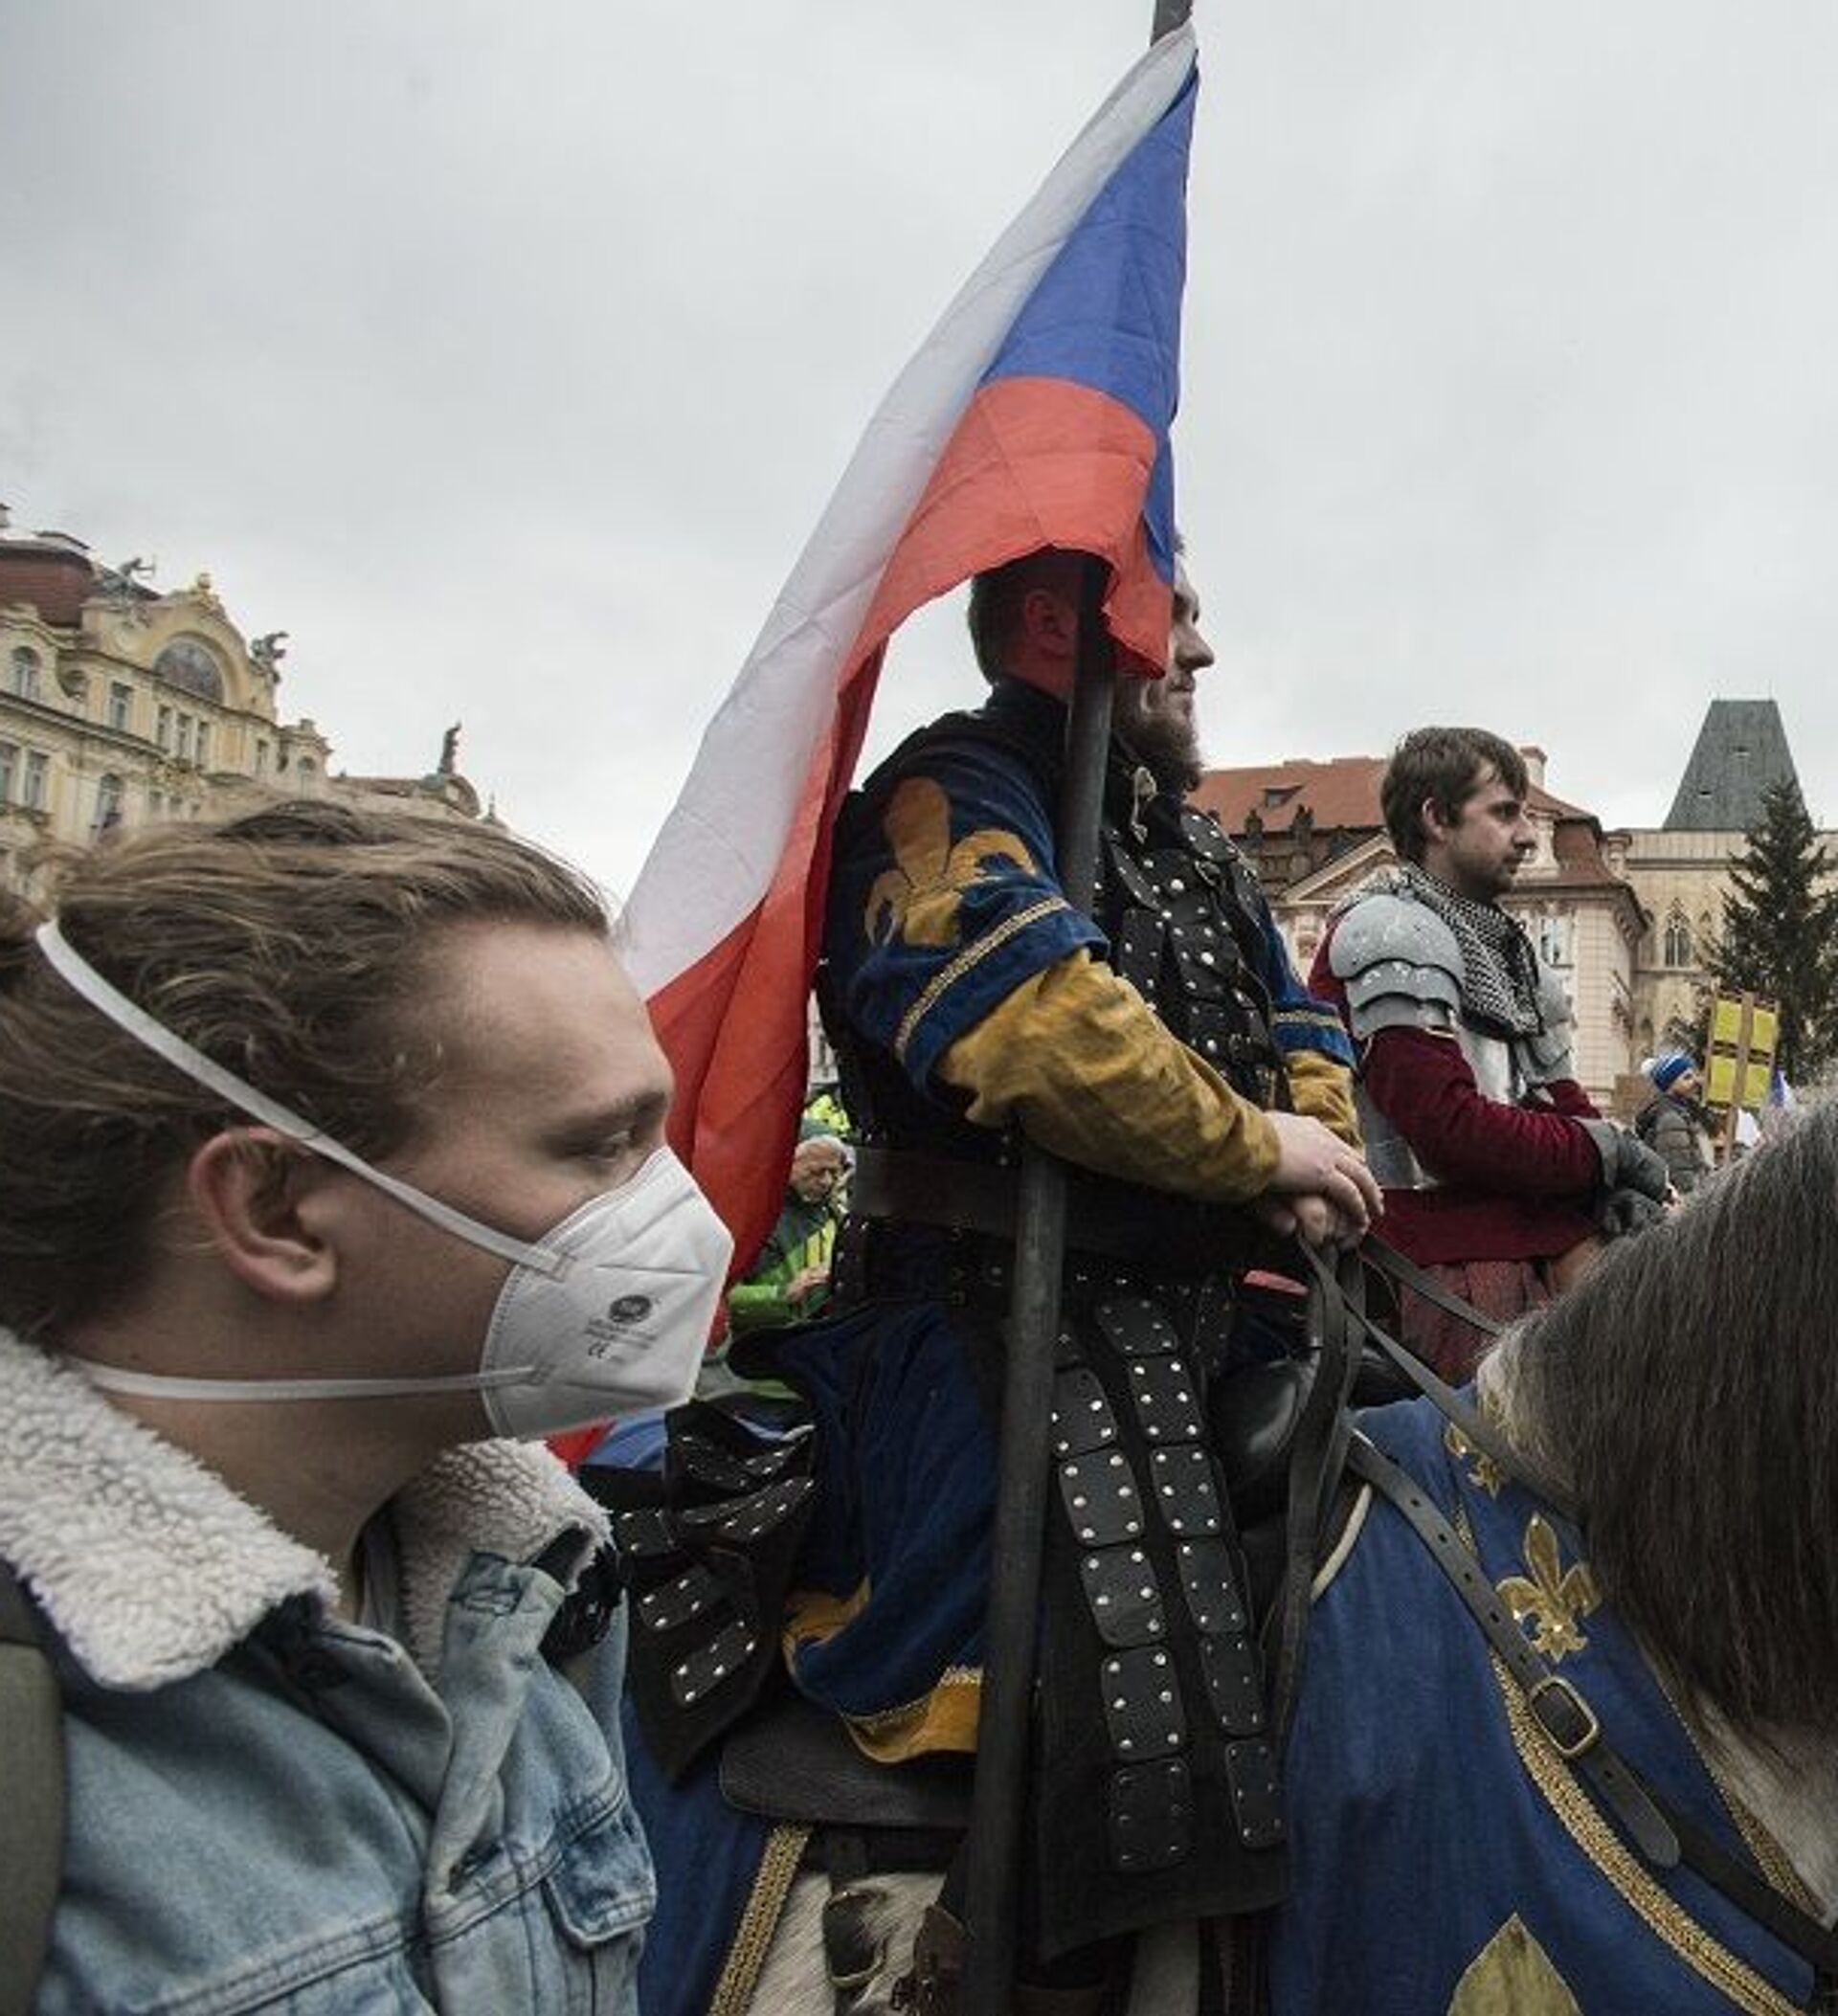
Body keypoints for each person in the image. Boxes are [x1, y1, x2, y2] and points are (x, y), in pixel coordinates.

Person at [624, 545, 1380, 2012]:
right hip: (991, 1320)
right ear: (1054, 623)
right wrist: (1255, 1147)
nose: (1201, 655)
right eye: (1178, 617)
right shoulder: (951, 789)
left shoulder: (1200, 846)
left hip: (1211, 1321)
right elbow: (1028, 1021)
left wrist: (1316, 1148)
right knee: (1062, 1698)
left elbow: (1302, 1028)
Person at [0, 801, 732, 2014]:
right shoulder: (39, 1737)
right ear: (277, 1210)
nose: (675, 1210)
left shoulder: (539, 1590)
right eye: (601, 1147)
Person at [1269, 1105, 1838, 2013]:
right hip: (1415, 1227)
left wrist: (1601, 1158)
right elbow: (1442, 1123)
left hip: (1454, 1215)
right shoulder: (1406, 986)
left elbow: (1328, 1084)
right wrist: (1587, 1155)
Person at [1309, 726, 1670, 1379]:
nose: (1527, 836)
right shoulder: (1391, 930)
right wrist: (1602, 1153)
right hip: (1419, 1240)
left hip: (1507, 1223)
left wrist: (1608, 1184)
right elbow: (1446, 1133)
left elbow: (1563, 1104)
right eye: (1505, 814)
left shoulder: (1511, 954)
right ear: (1436, 819)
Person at [725, 1123, 850, 1333]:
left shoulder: (835, 1215)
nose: (827, 1181)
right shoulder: (750, 1217)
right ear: (784, 1164)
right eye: (816, 1172)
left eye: (834, 1172)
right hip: (761, 1343)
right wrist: (782, 1295)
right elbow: (716, 1299)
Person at [1635, 1049, 1717, 1196]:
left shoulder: (1680, 1110)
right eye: (1687, 1078)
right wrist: (1693, 1197)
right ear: (1670, 1084)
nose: (1695, 1082)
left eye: (1694, 1076)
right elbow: (1678, 1168)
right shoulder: (1670, 1118)